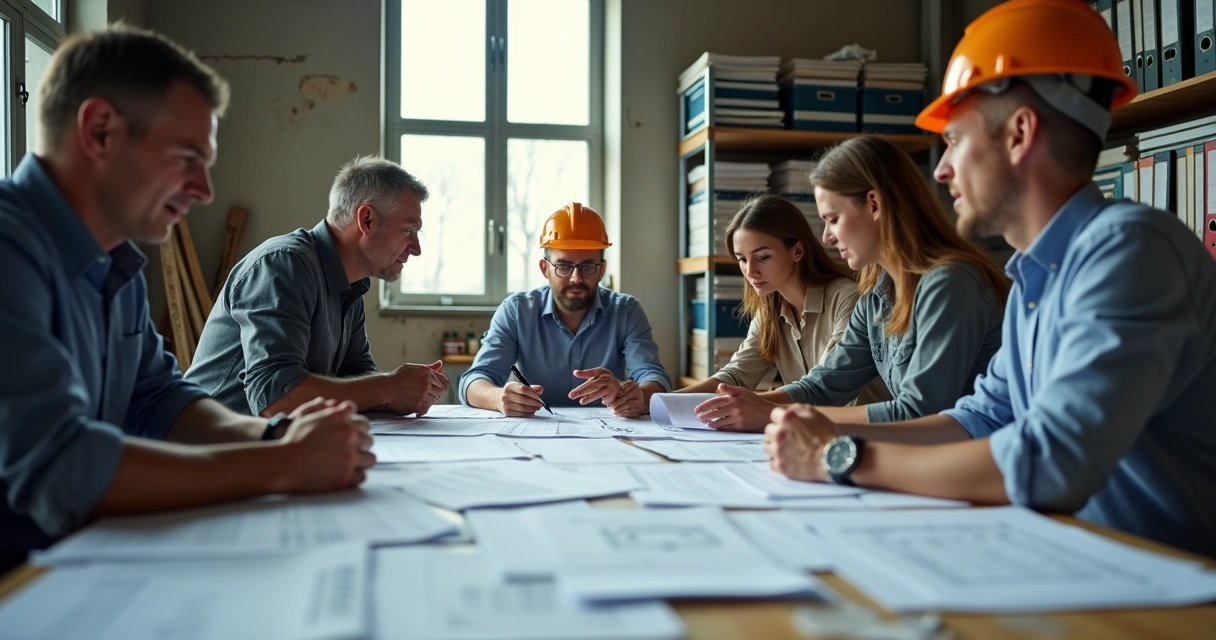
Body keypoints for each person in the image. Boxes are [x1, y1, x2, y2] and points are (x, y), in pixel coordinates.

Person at [764, 0, 1216, 557]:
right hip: (1074, 557)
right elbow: (981, 416)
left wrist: (840, 458)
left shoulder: (1130, 251)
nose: (941, 169)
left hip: (1167, 583)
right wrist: (831, 436)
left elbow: (1050, 462)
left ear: (1019, 134)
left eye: (954, 139)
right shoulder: (1033, 274)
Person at [0, 26, 373, 573]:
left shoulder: (114, 261)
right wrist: (279, 465)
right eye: (187, 158)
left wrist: (272, 435)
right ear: (100, 130)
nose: (204, 190)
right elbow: (62, 464)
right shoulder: (10, 248)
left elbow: (159, 400)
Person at [694, 136, 1009, 431]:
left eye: (833, 219)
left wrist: (773, 413)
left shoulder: (949, 283)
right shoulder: (874, 297)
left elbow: (919, 411)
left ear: (874, 204)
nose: (827, 237)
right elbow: (822, 386)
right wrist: (749, 406)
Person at [186, 155, 449, 417]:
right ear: (366, 220)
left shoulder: (352, 283)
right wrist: (390, 388)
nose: (416, 249)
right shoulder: (282, 265)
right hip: (210, 448)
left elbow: (356, 378)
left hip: (266, 444)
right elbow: (275, 398)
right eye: (408, 231)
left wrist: (401, 393)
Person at [459, 202, 671, 417]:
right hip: (534, 430)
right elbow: (474, 380)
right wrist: (497, 398)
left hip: (607, 435)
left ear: (602, 270)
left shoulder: (626, 310)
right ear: (545, 269)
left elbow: (653, 376)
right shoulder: (516, 311)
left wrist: (639, 396)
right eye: (564, 266)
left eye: (587, 266)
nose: (576, 278)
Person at [677, 194, 888, 404]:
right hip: (808, 431)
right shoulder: (770, 310)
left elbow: (824, 384)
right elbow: (736, 375)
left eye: (762, 257)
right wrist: (660, 400)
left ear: (797, 250)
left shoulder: (847, 298)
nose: (750, 271)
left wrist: (754, 404)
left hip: (858, 430)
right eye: (742, 259)